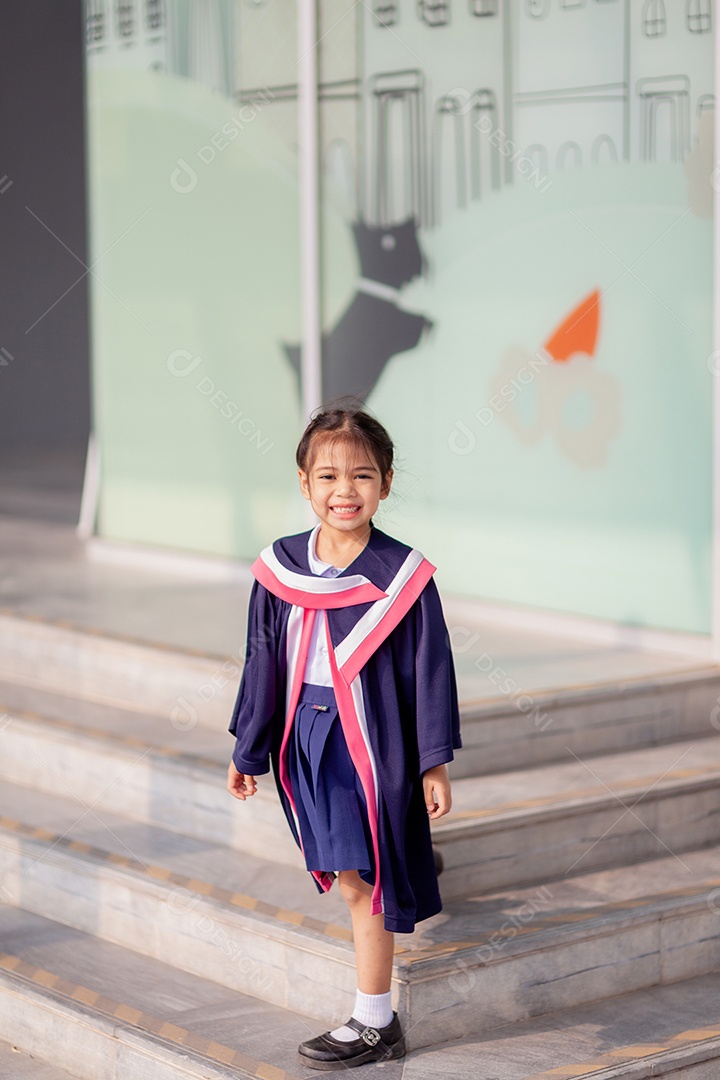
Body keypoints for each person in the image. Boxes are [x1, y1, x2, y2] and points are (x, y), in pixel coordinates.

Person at [226, 406, 461, 1070]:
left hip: (378, 742)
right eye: (328, 475)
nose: (345, 490)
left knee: (363, 881)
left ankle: (375, 1020)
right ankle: (410, 858)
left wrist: (433, 763)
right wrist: (248, 748)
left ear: (385, 483)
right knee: (355, 869)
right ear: (304, 484)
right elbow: (262, 662)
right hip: (309, 741)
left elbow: (431, 670)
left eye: (362, 475)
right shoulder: (279, 570)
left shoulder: (403, 578)